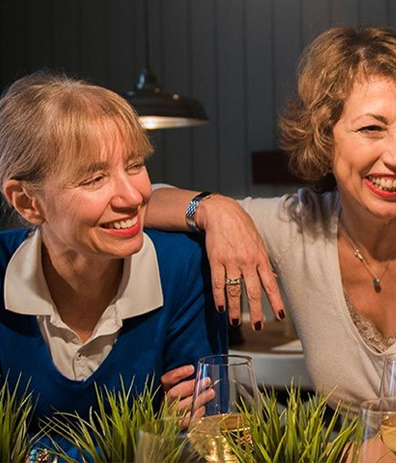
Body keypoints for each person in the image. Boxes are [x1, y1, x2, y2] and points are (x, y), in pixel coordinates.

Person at [145, 26, 396, 415]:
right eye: (372, 128)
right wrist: (214, 209)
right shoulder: (299, 225)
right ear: (325, 138)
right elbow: (142, 201)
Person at [0, 72, 227, 456]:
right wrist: (140, 435)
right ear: (27, 203)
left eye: (135, 165)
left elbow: (197, 436)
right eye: (94, 178)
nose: (133, 195)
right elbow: (158, 441)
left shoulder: (183, 266)